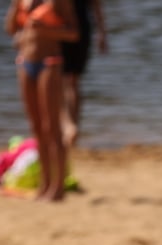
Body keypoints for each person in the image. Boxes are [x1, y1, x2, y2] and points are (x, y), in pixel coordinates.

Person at [5, 0, 79, 202]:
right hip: (25, 61)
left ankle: (58, 186)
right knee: (37, 128)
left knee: (52, 128)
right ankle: (45, 183)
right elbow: (11, 29)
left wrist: (47, 30)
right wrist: (14, 8)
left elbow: (73, 33)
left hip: (50, 62)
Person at [61, 0, 107, 148]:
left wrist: (101, 33)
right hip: (69, 29)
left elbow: (96, 6)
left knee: (68, 81)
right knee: (67, 82)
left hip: (73, 30)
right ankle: (70, 125)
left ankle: (70, 126)